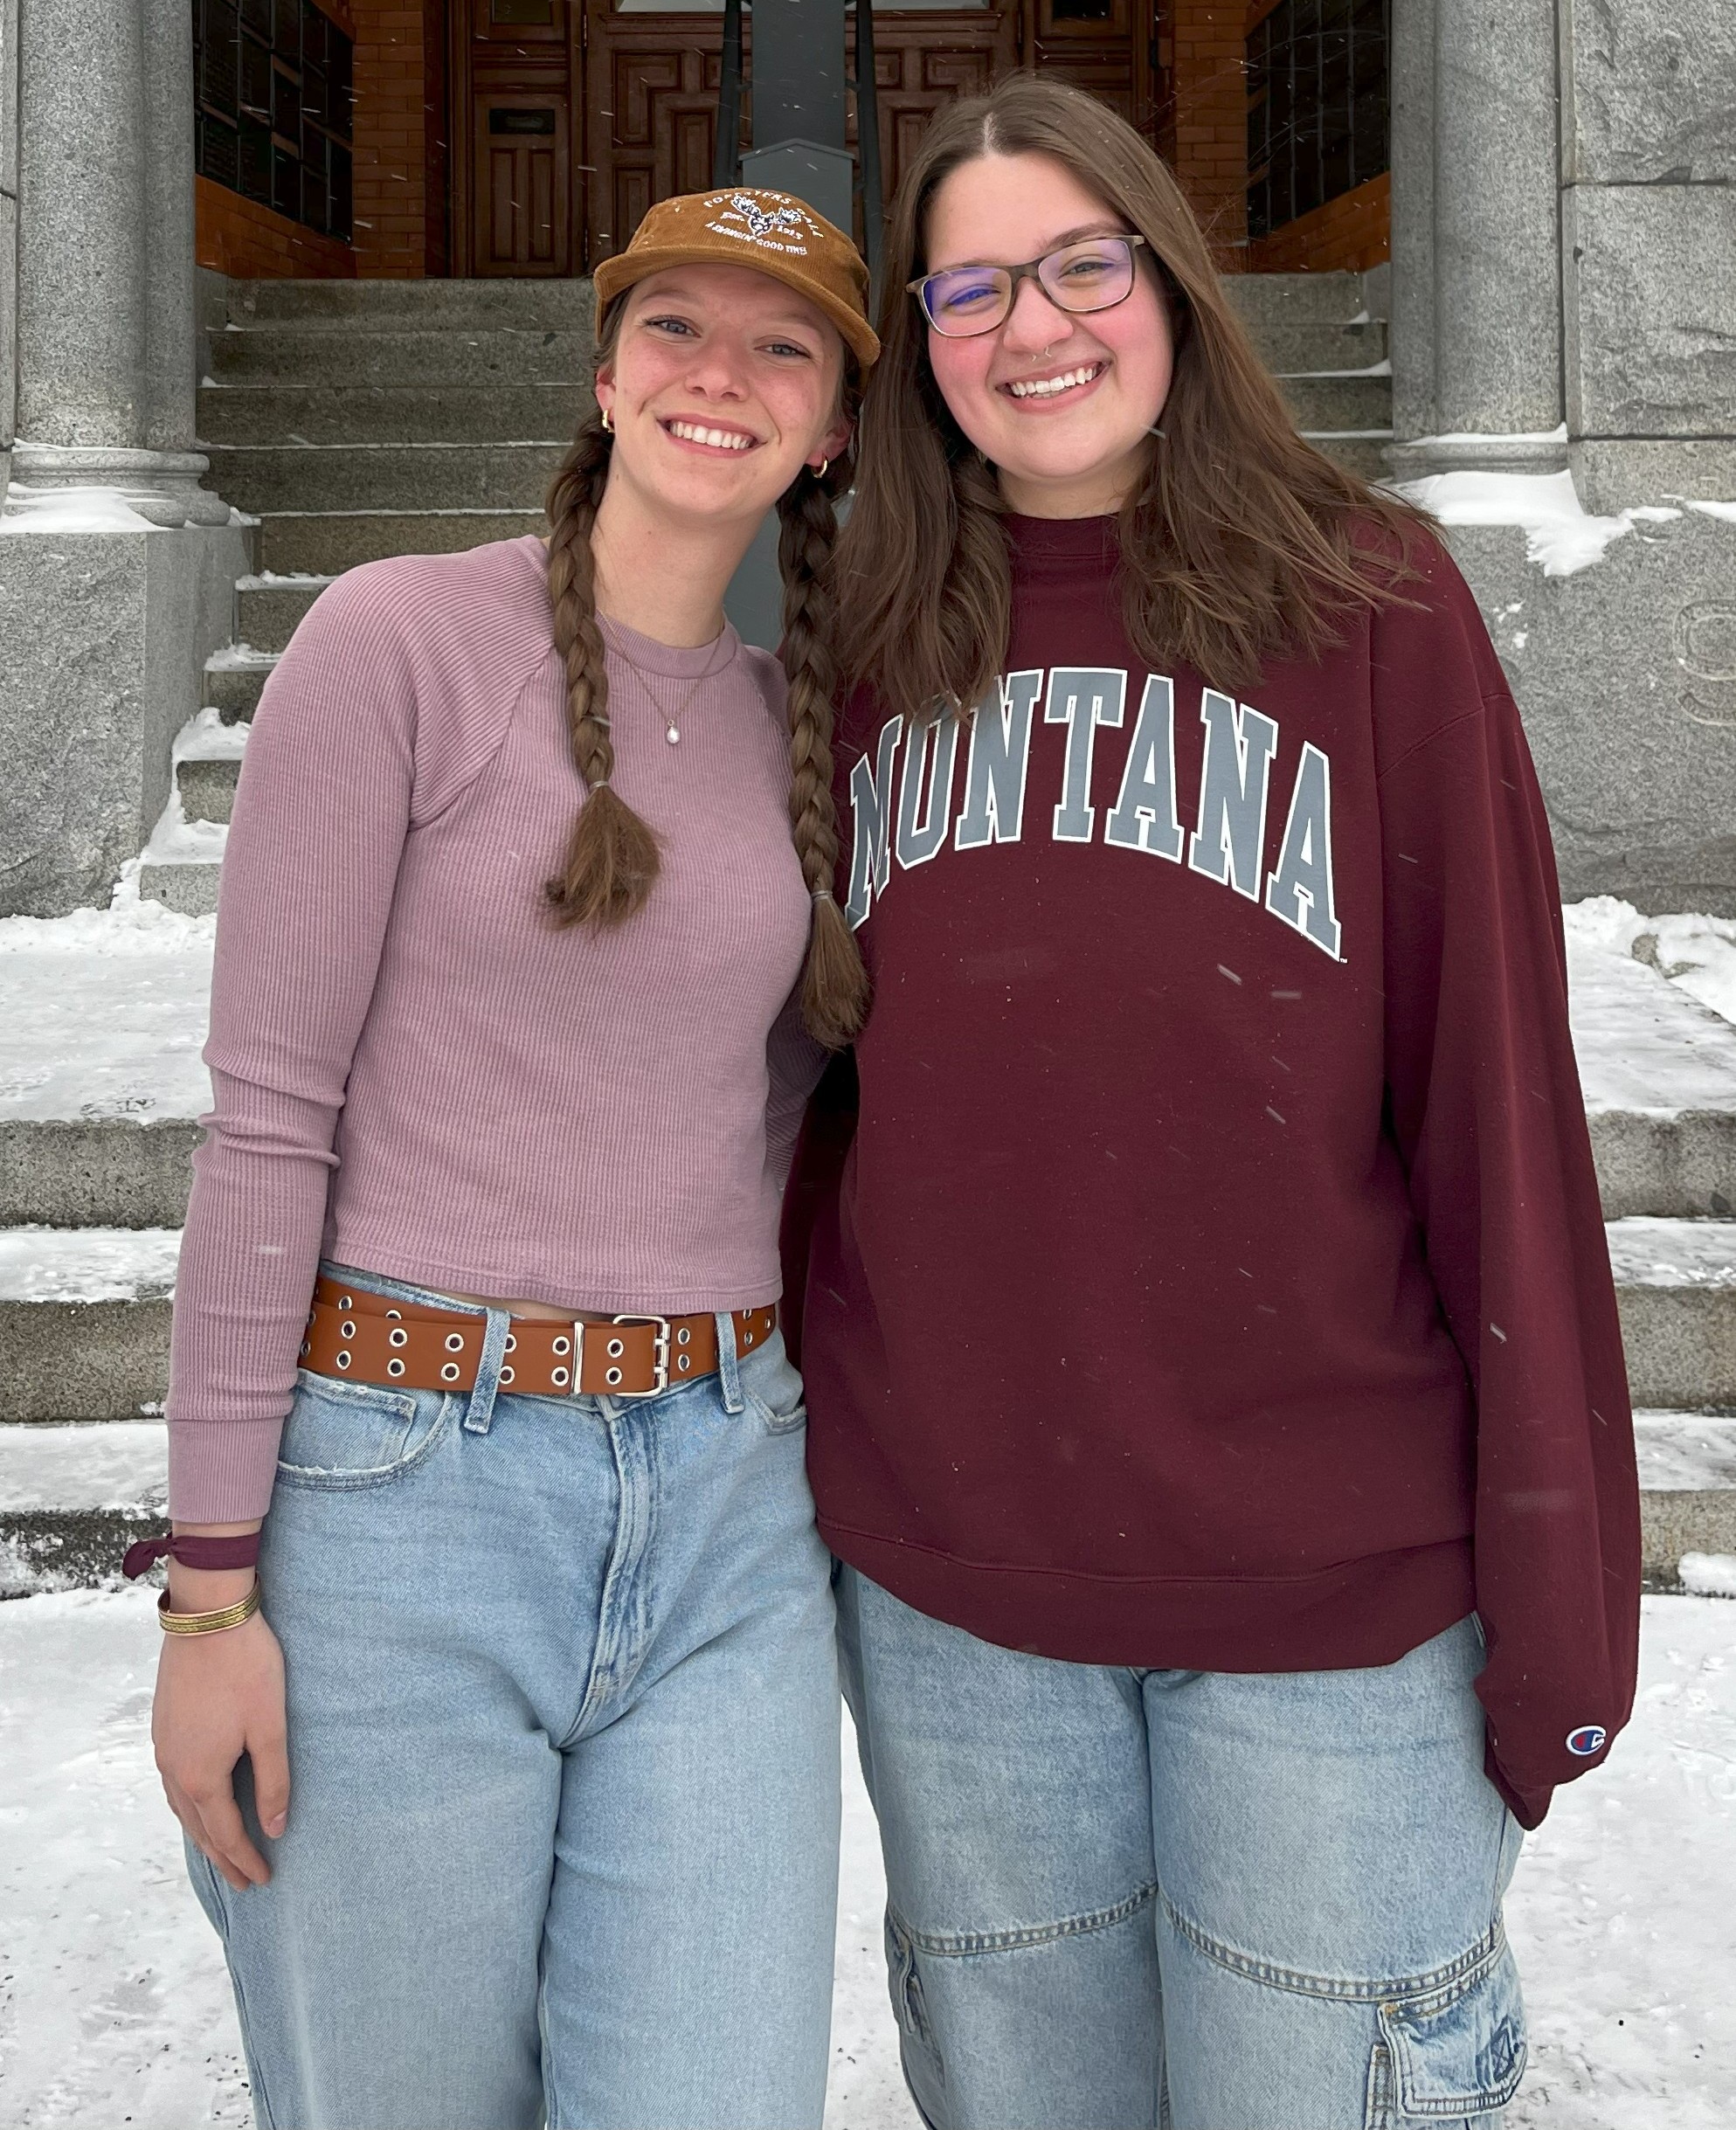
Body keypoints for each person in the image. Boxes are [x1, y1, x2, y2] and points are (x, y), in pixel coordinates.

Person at [784, 79, 1640, 2130]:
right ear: (921, 339)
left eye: (1084, 262)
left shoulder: (1378, 612)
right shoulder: (870, 640)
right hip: (963, 1618)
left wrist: (1558, 1586)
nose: (1034, 325)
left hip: (1328, 1615)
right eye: (973, 284)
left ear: (1167, 283)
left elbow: (1496, 1120)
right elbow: (822, 1110)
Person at [139, 188, 876, 2130]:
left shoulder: (812, 729)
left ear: (832, 432)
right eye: (676, 330)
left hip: (723, 1509)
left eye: (781, 344)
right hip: (404, 1497)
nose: (721, 374)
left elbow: (774, 1111)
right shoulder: (394, 643)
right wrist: (210, 1598)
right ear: (604, 372)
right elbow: (267, 1120)